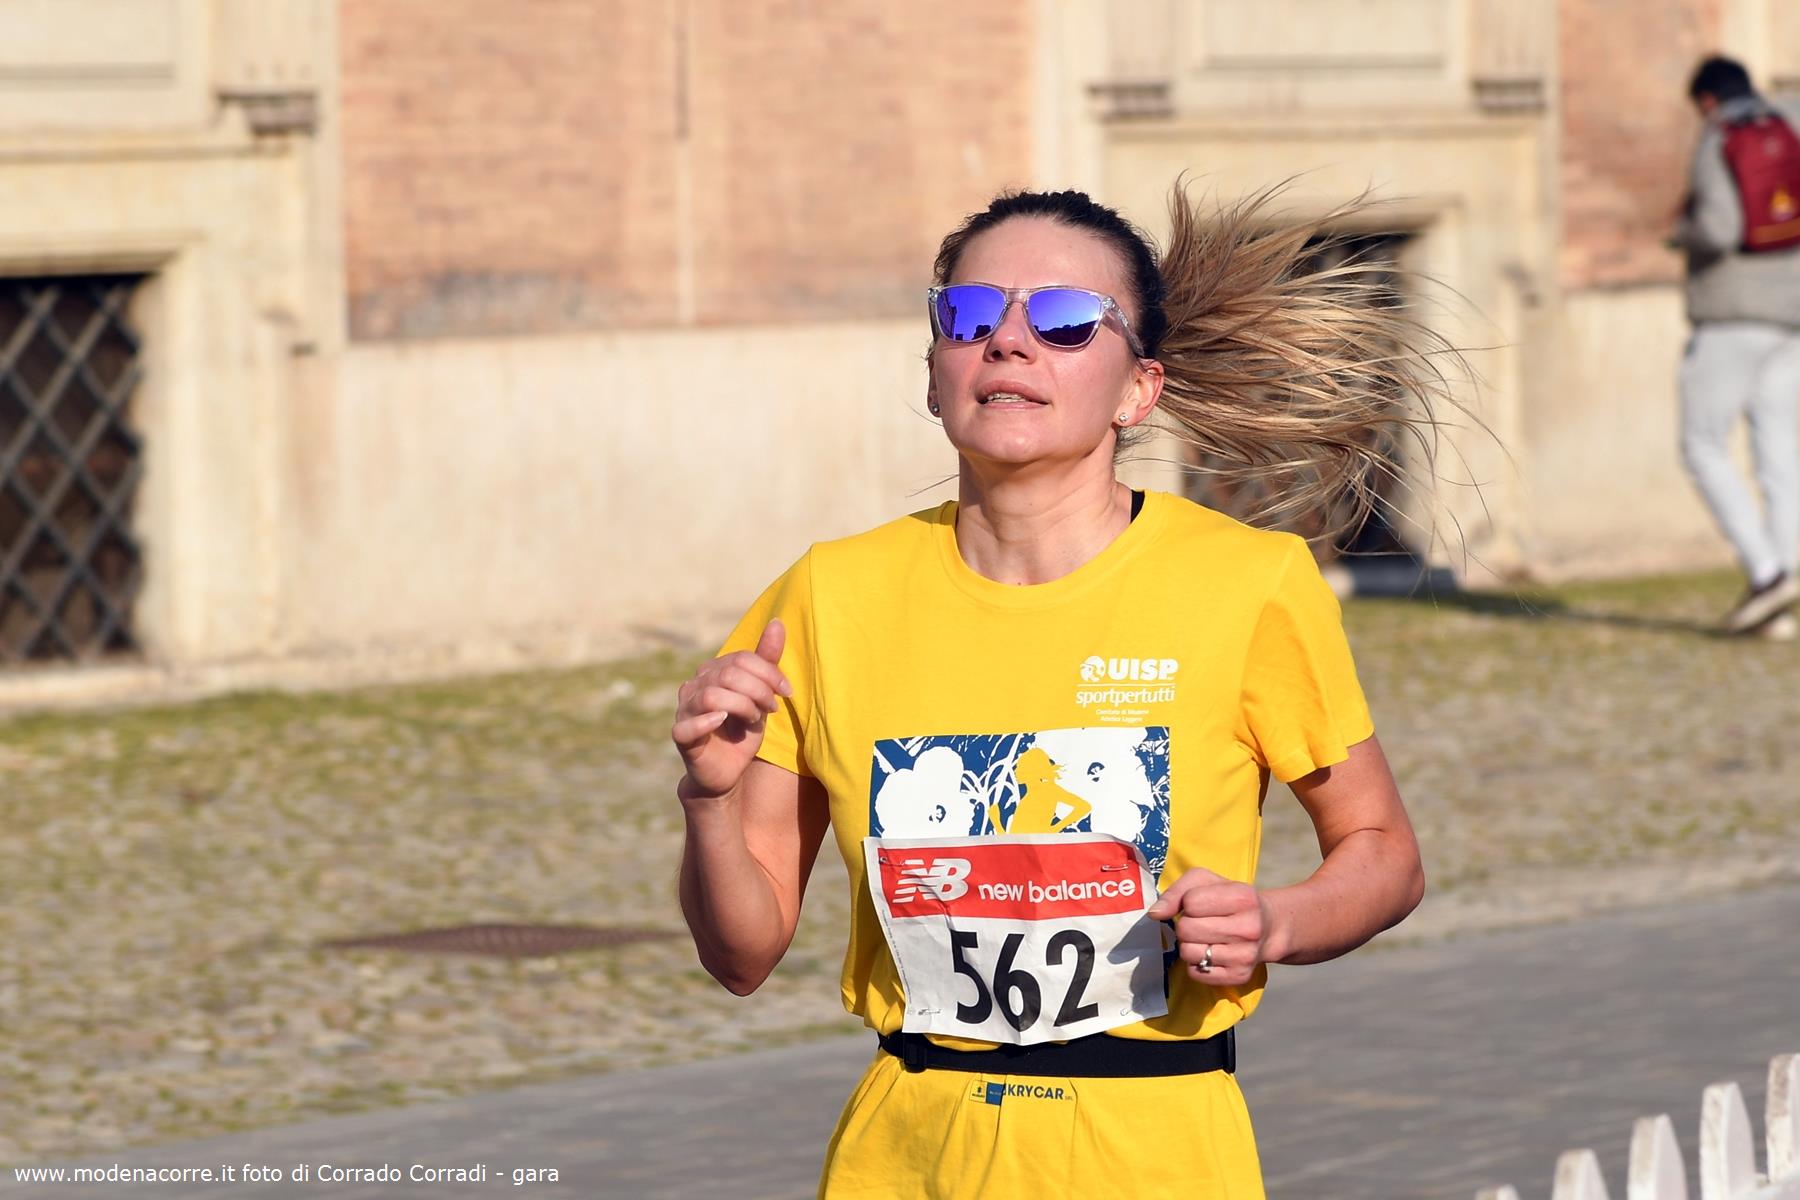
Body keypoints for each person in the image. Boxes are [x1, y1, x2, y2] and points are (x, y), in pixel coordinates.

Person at [672, 184, 1446, 1198]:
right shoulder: (825, 596)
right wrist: (710, 802)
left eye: (1067, 320)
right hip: (907, 1156)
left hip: (1157, 1151)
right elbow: (741, 956)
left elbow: (1384, 853)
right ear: (935, 372)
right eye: (967, 315)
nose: (1007, 342)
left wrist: (1274, 922)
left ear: (1138, 390)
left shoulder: (1247, 584)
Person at [1673, 55, 1800, 637]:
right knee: (1779, 446)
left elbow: (1720, 229)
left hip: (1732, 318)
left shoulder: (1719, 134)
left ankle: (1768, 576)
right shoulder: (1791, 118)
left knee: (1702, 444)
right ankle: (1784, 586)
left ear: (1706, 100)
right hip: (1792, 315)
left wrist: (1682, 233)